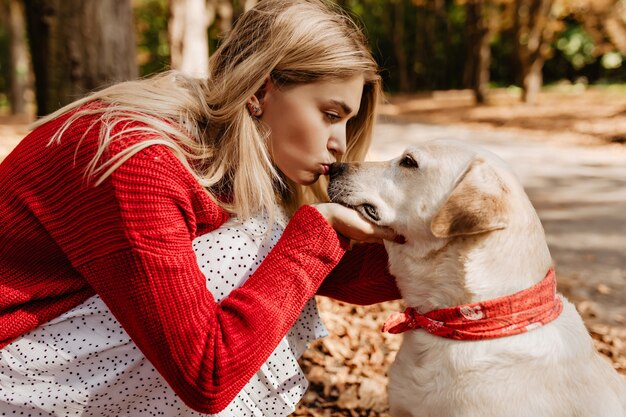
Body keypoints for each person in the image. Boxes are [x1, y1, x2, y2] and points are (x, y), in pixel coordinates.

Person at [0, 0, 402, 415]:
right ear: (261, 89)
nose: (339, 142)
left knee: (270, 241)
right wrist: (315, 233)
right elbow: (207, 376)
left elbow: (339, 272)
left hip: (55, 354)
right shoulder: (140, 159)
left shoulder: (233, 151)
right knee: (253, 246)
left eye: (346, 122)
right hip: (11, 365)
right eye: (330, 114)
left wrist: (451, 246)